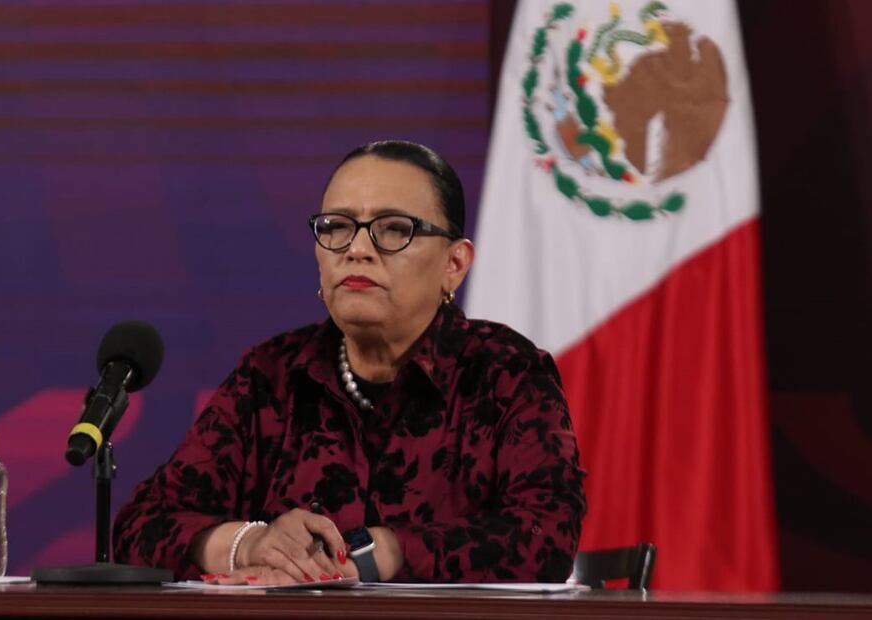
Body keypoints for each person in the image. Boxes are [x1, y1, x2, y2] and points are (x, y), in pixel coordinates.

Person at [113, 140, 586, 584]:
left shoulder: (507, 373)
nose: (357, 249)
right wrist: (252, 543)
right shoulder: (272, 374)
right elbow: (140, 527)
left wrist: (371, 554)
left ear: (454, 265)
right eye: (337, 227)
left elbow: (546, 537)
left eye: (395, 229)